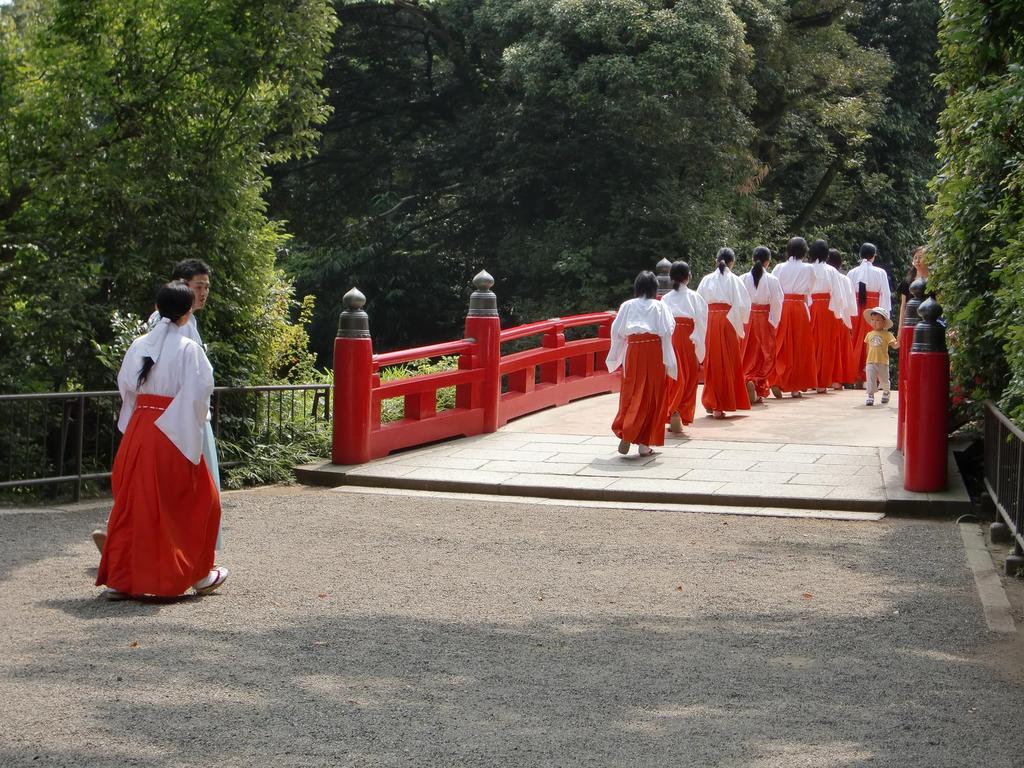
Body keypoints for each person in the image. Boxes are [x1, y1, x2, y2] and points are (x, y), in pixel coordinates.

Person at [96, 282, 227, 599]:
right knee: (199, 500)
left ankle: (122, 578)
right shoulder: (187, 349)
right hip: (170, 428)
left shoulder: (140, 344)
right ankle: (196, 575)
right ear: (187, 312)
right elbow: (198, 395)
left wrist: (138, 414)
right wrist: (190, 427)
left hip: (141, 428)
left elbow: (126, 386)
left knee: (134, 503)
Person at [607, 271, 678, 456]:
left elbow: (617, 331)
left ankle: (627, 428)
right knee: (652, 394)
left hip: (634, 350)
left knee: (631, 391)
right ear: (654, 288)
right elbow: (668, 329)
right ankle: (644, 444)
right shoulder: (659, 306)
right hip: (653, 351)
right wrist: (669, 357)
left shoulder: (627, 306)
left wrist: (617, 353)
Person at [696, 248, 751, 418]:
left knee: (713, 362)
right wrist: (738, 322)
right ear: (732, 262)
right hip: (728, 321)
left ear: (716, 260)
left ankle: (714, 401)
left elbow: (698, 303)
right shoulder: (734, 280)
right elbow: (743, 306)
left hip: (711, 320)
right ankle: (725, 401)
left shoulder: (706, 280)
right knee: (729, 360)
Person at [662, 262, 708, 432]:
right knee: (689, 376)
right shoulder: (695, 297)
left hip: (672, 337)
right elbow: (702, 322)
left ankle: (672, 408)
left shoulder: (665, 299)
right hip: (689, 337)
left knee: (673, 376)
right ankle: (680, 411)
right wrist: (699, 344)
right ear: (688, 277)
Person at [771, 237, 816, 397]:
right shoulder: (808, 268)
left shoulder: (779, 267)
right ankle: (795, 387)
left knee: (781, 343)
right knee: (799, 346)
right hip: (798, 307)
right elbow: (809, 290)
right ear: (804, 251)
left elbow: (774, 288)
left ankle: (777, 378)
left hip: (782, 305)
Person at [739, 246, 783, 405]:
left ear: (752, 259)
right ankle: (758, 385)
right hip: (765, 318)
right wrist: (774, 321)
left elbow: (739, 301)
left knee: (747, 353)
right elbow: (777, 303)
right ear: (768, 262)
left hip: (748, 319)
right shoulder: (772, 280)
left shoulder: (742, 278)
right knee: (765, 354)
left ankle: (747, 379)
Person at [847, 243, 892, 386]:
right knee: (875, 342)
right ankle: (870, 378)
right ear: (874, 256)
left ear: (860, 255)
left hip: (856, 311)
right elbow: (885, 294)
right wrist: (885, 316)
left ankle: (855, 375)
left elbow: (848, 295)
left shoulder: (852, 273)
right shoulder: (880, 272)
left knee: (856, 340)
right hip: (874, 311)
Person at [807, 239, 847, 393]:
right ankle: (823, 381)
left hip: (810, 306)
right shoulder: (831, 271)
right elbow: (838, 294)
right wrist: (839, 313)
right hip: (828, 308)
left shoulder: (808, 268)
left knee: (811, 343)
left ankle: (811, 379)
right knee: (827, 345)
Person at [827, 248, 857, 388]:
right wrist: (850, 315)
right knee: (839, 348)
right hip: (842, 316)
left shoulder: (820, 274)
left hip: (825, 314)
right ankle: (837, 379)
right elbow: (850, 300)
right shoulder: (845, 279)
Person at [862, 306, 899, 407]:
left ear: (884, 322)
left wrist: (900, 341)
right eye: (873, 320)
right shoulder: (869, 334)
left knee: (884, 379)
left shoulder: (887, 334)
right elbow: (867, 348)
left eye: (878, 320)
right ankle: (870, 395)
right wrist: (867, 360)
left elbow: (895, 345)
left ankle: (886, 392)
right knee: (870, 379)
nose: (874, 322)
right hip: (870, 361)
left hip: (883, 361)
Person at [897, 245, 929, 329]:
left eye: (920, 257)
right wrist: (900, 330)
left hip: (928, 324)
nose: (917, 260)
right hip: (910, 325)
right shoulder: (907, 282)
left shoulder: (934, 281)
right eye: (915, 258)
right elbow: (903, 307)